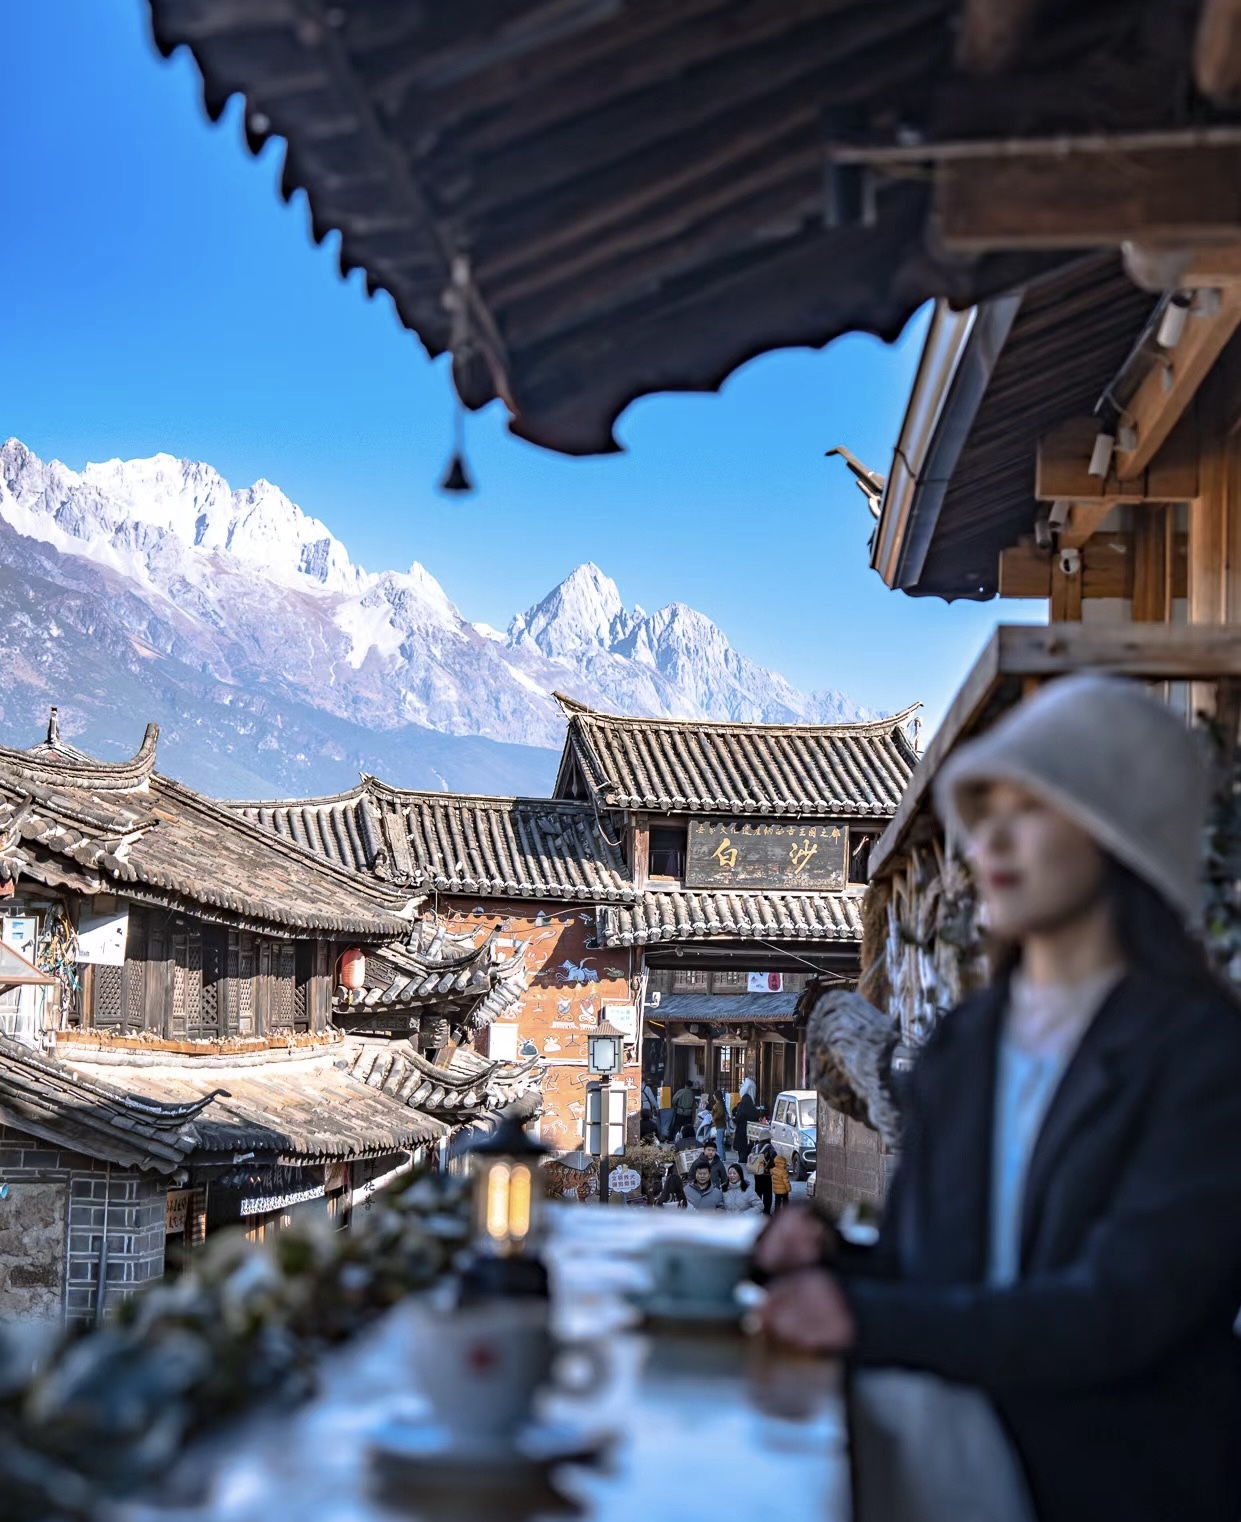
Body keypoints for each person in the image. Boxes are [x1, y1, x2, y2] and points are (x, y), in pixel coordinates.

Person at [754, 675, 1241, 1522]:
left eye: (1033, 809)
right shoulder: (967, 1044)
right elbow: (943, 1281)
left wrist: (862, 1317)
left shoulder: (1202, 1058)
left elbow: (1119, 1310)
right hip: (951, 1437)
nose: (990, 843)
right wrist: (831, 1262)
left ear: (1119, 830)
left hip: (1116, 1476)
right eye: (985, 815)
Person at [732, 1082, 760, 1164]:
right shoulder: (753, 1110)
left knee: (741, 1148)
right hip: (750, 1131)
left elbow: (737, 1119)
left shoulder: (741, 1110)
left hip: (741, 1131)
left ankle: (741, 1159)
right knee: (748, 1147)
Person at [749, 1133, 775, 1216]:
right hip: (766, 1173)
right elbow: (774, 1157)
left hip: (756, 1173)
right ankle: (766, 1211)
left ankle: (758, 1210)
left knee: (758, 1191)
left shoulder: (755, 1147)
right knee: (767, 1193)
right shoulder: (769, 1147)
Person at [710, 1089, 729, 1158]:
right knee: (720, 1142)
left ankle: (721, 1157)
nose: (713, 1096)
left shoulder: (718, 1105)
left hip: (720, 1125)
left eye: (714, 1095)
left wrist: (714, 1118)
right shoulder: (720, 1104)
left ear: (716, 1096)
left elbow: (720, 1113)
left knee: (718, 1143)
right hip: (721, 1125)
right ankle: (723, 1157)